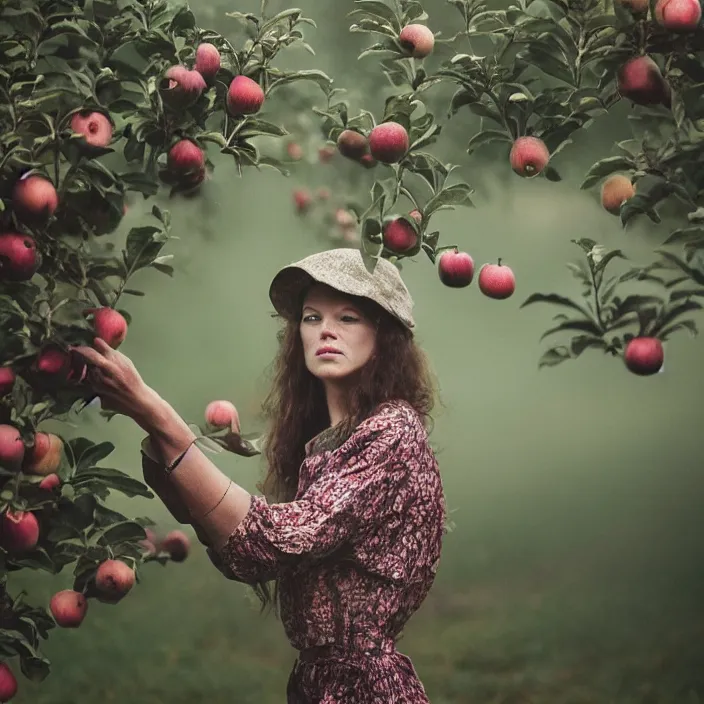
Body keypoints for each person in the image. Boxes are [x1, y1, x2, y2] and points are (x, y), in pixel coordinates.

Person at [72, 247, 448, 703]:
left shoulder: (391, 432)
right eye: (311, 318)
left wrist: (157, 414)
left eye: (347, 317)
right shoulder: (327, 447)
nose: (326, 329)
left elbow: (269, 543)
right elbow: (235, 550)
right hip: (320, 686)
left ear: (383, 335)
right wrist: (159, 431)